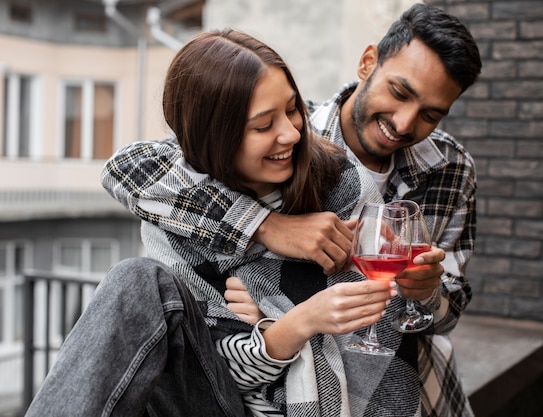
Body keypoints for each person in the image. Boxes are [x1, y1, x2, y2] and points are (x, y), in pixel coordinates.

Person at [103, 3, 482, 416]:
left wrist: (425, 291)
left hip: (415, 389)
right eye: (399, 92)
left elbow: (448, 311)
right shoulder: (292, 139)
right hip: (289, 385)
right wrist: (267, 225)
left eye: (430, 114)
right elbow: (130, 168)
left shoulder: (451, 169)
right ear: (368, 62)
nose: (406, 123)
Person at [25, 29, 396, 417]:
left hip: (309, 405)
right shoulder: (176, 207)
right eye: (262, 125)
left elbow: (377, 345)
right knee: (137, 279)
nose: (291, 132)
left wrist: (283, 323)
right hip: (213, 399)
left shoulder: (342, 186)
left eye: (291, 109)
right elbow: (121, 167)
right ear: (213, 137)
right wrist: (266, 227)